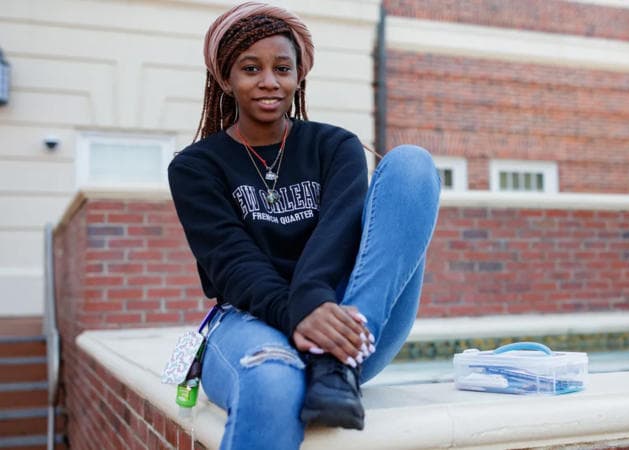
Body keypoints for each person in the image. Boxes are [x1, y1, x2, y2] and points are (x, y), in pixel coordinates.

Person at [167, 2, 441, 449]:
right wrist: (301, 313)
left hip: (350, 323)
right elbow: (232, 264)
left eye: (282, 68)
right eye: (250, 68)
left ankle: (336, 366)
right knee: (272, 381)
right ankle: (334, 362)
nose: (269, 82)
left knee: (412, 164)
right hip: (253, 319)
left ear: (299, 76)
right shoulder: (197, 167)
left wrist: (320, 308)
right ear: (225, 78)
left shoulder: (335, 146)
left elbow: (337, 239)